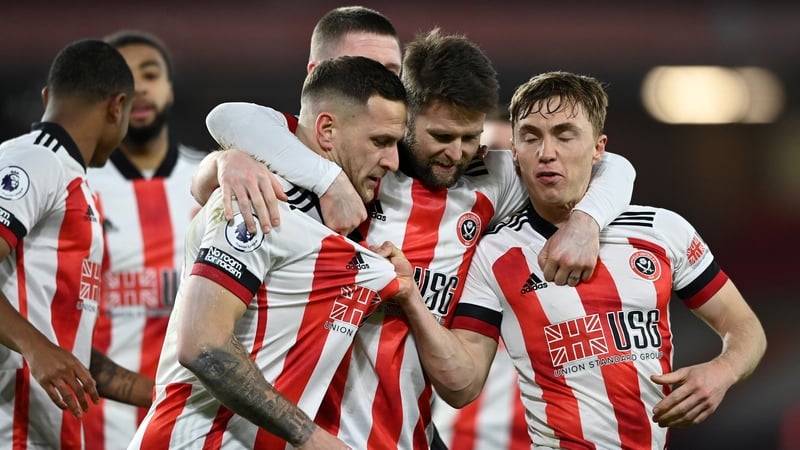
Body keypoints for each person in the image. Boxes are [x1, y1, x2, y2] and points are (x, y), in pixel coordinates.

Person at [200, 29, 636, 449]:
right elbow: (229, 118)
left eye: (471, 138)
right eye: (441, 136)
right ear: (406, 116)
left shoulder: (490, 182)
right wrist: (237, 162)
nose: (457, 152)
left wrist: (586, 221)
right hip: (305, 432)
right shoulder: (355, 164)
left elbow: (610, 166)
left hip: (409, 432)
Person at [382, 71, 768, 449]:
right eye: (531, 138)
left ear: (599, 148)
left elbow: (744, 326)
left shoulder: (662, 230)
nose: (547, 153)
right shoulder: (494, 254)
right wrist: (412, 300)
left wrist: (722, 371)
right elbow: (462, 386)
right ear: (514, 153)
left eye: (565, 135)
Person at [127, 55, 408, 449]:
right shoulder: (260, 199)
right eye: (380, 142)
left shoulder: (335, 211)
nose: (392, 160)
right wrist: (309, 437)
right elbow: (203, 345)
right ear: (326, 129)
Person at [0, 39, 153, 449]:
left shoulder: (72, 181)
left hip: (49, 433)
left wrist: (160, 394)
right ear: (117, 106)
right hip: (11, 430)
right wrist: (36, 348)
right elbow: (44, 349)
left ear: (48, 96)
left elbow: (64, 351)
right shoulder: (35, 162)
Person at [82, 29, 207, 450]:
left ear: (170, 90)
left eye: (150, 74)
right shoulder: (74, 185)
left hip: (189, 425)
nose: (138, 88)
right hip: (93, 425)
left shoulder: (214, 183)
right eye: (122, 77)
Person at [430, 107, 529, 450]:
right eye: (489, 160)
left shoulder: (564, 261)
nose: (504, 177)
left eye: (513, 160)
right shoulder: (437, 264)